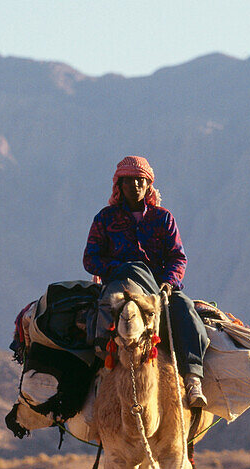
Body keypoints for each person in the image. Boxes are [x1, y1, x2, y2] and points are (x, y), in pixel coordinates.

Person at [84, 155, 209, 407]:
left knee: (185, 311)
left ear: (149, 185)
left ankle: (193, 378)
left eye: (141, 181)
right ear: (119, 186)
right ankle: (97, 377)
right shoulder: (105, 219)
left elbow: (177, 257)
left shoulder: (163, 219)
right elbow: (91, 258)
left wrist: (168, 282)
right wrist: (121, 270)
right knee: (97, 317)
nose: (136, 186)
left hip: (156, 288)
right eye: (129, 181)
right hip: (120, 286)